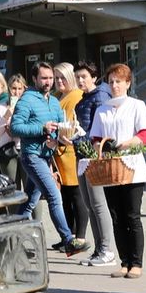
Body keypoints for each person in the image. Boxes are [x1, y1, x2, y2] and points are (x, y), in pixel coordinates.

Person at [11, 62, 88, 256]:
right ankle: (68, 239)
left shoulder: (54, 101)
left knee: (29, 202)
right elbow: (15, 128)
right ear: (35, 79)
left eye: (50, 78)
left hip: (47, 156)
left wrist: (61, 138)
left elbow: (58, 128)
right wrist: (41, 129)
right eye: (44, 78)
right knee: (54, 195)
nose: (48, 82)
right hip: (32, 155)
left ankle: (11, 241)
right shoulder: (26, 100)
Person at [88, 63, 146, 278]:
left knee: (132, 215)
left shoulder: (137, 105)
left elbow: (143, 136)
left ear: (127, 83)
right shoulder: (102, 109)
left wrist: (122, 144)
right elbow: (96, 138)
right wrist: (102, 147)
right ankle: (124, 261)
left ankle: (137, 262)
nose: (114, 85)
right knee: (116, 216)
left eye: (119, 81)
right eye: (111, 81)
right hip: (110, 168)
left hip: (131, 167)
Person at [73, 61, 115, 267]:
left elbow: (102, 128)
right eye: (78, 77)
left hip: (94, 156)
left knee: (99, 204)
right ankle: (99, 250)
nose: (80, 80)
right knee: (90, 204)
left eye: (84, 77)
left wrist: (79, 137)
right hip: (81, 155)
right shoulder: (85, 97)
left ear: (94, 78)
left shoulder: (100, 96)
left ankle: (107, 250)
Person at [52, 63, 88, 246]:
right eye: (56, 78)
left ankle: (80, 237)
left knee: (76, 195)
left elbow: (74, 124)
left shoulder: (75, 96)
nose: (59, 81)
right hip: (60, 152)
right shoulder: (59, 96)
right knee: (65, 195)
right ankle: (69, 236)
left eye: (62, 77)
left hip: (71, 152)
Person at [0, 74, 26, 188]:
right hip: (7, 150)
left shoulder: (28, 105)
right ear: (9, 89)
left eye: (19, 88)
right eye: (14, 88)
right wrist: (6, 116)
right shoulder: (0, 107)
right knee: (12, 189)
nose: (16, 92)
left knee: (30, 188)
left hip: (24, 148)